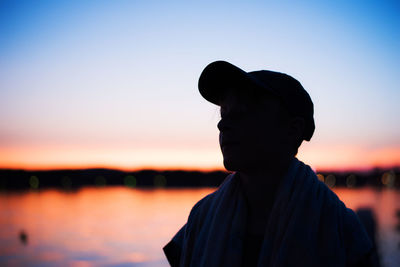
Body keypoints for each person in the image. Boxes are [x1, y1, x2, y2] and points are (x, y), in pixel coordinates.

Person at [163, 61, 375, 267]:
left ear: (293, 130)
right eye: (223, 113)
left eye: (243, 111)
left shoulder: (341, 230)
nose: (222, 124)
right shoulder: (200, 220)